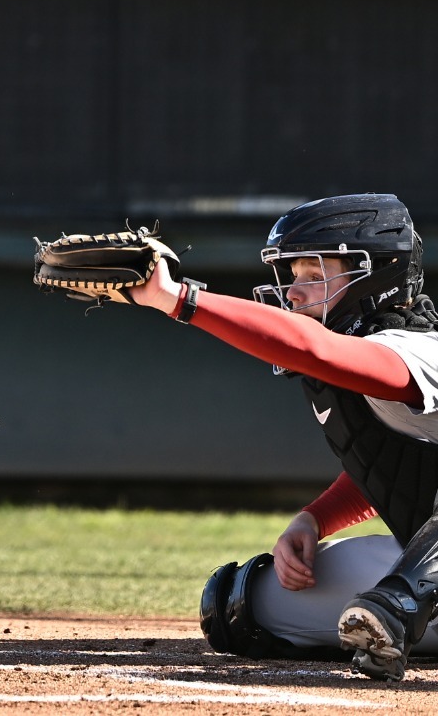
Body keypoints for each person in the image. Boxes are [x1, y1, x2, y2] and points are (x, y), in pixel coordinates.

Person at [124, 193, 438, 680]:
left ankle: (400, 606)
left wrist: (178, 299)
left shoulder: (419, 348)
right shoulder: (356, 356)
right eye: (292, 276)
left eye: (314, 274)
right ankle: (398, 609)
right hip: (426, 565)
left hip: (423, 578)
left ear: (374, 276)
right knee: (243, 604)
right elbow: (399, 468)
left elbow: (315, 349)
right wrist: (313, 519)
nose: (293, 293)